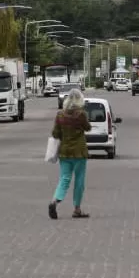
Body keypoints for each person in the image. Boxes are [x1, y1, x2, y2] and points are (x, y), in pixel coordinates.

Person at [48, 88, 92, 220]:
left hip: (65, 152)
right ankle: (77, 209)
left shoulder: (60, 115)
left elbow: (55, 133)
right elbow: (88, 128)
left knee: (64, 178)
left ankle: (54, 201)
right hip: (79, 152)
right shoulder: (81, 114)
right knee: (79, 180)